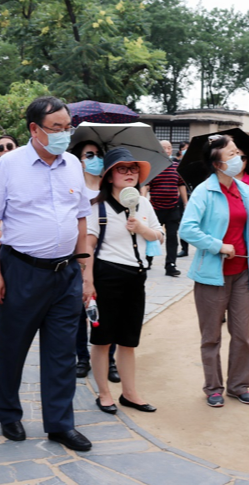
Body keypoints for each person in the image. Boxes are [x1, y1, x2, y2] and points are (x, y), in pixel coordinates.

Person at [0, 96, 94, 452]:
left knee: (62, 354)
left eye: (67, 127)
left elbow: (80, 217)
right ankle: (8, 413)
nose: (64, 134)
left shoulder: (72, 164)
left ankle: (60, 424)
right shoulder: (9, 165)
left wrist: (85, 270)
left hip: (66, 273)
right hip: (22, 271)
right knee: (12, 348)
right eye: (56, 128)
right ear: (34, 129)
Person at [178, 134, 249, 408]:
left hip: (243, 272)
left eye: (238, 154)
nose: (239, 159)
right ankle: (213, 387)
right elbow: (187, 229)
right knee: (211, 336)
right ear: (217, 164)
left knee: (242, 334)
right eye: (232, 155)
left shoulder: (245, 191)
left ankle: (239, 386)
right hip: (212, 276)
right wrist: (217, 246)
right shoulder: (204, 192)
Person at [85, 147, 159, 415]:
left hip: (136, 276)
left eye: (133, 169)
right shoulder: (98, 207)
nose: (130, 173)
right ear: (109, 176)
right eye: (122, 169)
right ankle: (104, 394)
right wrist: (88, 281)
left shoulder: (144, 204)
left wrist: (142, 228)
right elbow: (88, 246)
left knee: (129, 340)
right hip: (107, 276)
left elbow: (158, 235)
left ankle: (130, 393)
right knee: (103, 339)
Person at [69, 141, 119, 383]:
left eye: (99, 154)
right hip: (79, 258)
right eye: (89, 155)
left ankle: (109, 359)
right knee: (80, 311)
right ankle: (82, 357)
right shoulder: (73, 189)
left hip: (108, 260)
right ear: (78, 160)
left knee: (108, 311)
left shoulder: (110, 189)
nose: (95, 159)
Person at [142, 140, 188, 276]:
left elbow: (181, 185)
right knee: (151, 236)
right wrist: (142, 200)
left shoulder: (176, 166)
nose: (167, 150)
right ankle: (148, 259)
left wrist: (186, 203)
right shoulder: (153, 167)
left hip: (173, 207)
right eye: (164, 148)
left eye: (169, 147)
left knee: (172, 237)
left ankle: (170, 265)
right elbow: (146, 185)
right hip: (155, 208)